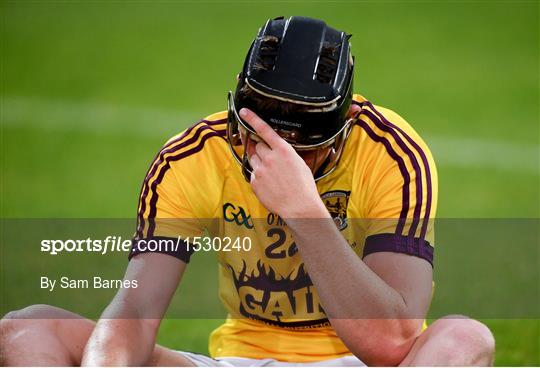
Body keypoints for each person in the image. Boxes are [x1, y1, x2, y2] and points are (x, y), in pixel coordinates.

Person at [1, 16, 495, 367]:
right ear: (239, 108)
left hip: (361, 365)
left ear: (341, 128)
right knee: (26, 330)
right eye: (256, 133)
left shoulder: (392, 154)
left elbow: (391, 344)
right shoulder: (192, 157)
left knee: (463, 338)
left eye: (305, 147)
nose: (271, 153)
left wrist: (303, 209)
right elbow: (134, 309)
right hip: (241, 361)